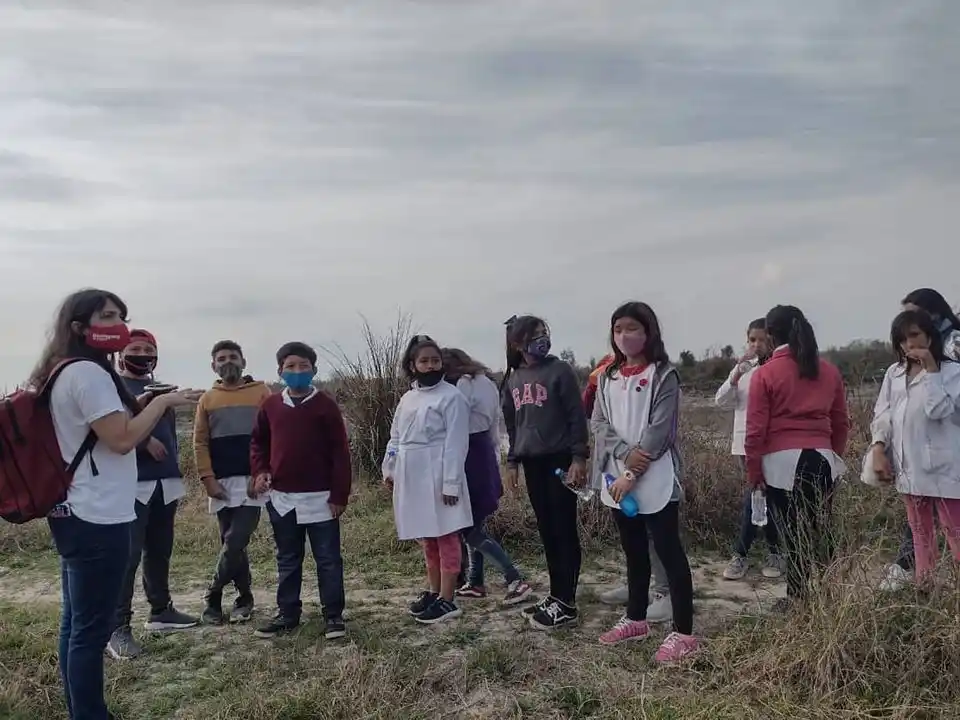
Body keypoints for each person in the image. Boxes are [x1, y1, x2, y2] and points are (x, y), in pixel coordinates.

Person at [29, 288, 201, 720]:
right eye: (107, 316)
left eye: (121, 316)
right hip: (98, 513)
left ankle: (80, 711)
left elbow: (106, 428)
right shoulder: (87, 373)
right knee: (90, 629)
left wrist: (141, 402)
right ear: (79, 326)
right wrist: (162, 402)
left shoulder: (62, 370)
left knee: (75, 623)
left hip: (74, 508)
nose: (119, 325)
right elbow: (122, 439)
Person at [590, 302, 698, 662]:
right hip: (617, 475)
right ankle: (636, 618)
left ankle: (684, 633)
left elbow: (661, 429)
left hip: (653, 475)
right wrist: (623, 456)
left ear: (648, 332)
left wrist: (634, 469)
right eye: (619, 328)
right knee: (633, 551)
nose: (625, 335)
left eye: (632, 328)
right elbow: (600, 423)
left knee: (668, 552)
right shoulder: (607, 376)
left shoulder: (664, 374)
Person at [744, 305, 849, 611]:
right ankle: (832, 592)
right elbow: (841, 422)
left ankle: (798, 598)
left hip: (781, 464)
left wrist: (754, 473)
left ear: (771, 335)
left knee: (793, 532)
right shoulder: (827, 369)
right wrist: (832, 456)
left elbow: (755, 431)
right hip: (822, 457)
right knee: (822, 527)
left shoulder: (765, 373)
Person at [248, 342, 351, 640]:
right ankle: (287, 613)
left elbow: (340, 453)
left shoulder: (325, 406)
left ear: (314, 370)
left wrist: (339, 495)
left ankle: (333, 615)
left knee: (328, 559)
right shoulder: (270, 406)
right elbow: (258, 443)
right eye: (290, 367)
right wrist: (261, 471)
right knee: (288, 558)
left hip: (321, 499)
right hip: (282, 499)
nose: (297, 372)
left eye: (303, 366)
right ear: (280, 370)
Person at [107, 329, 198, 660]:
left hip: (165, 481)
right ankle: (117, 628)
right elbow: (112, 431)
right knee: (127, 557)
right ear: (121, 354)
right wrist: (144, 442)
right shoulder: (113, 387)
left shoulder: (161, 389)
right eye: (136, 348)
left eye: (149, 349)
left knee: (159, 551)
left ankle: (161, 610)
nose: (143, 353)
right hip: (132, 484)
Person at [501, 315, 589, 630]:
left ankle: (567, 602)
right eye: (533, 334)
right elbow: (513, 425)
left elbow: (576, 417)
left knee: (563, 528)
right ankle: (555, 595)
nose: (541, 338)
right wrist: (512, 462)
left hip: (560, 459)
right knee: (547, 529)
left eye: (543, 332)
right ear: (517, 343)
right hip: (532, 462)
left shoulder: (559, 371)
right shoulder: (512, 378)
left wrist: (579, 457)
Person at [384, 336, 474, 624]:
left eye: (435, 360)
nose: (430, 365)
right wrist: (391, 468)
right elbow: (396, 437)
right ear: (413, 365)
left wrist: (451, 483)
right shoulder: (408, 398)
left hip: (439, 472)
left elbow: (456, 444)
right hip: (413, 474)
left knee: (446, 535)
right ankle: (434, 591)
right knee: (428, 537)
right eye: (424, 360)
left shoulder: (452, 397)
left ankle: (448, 599)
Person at [869, 310, 960, 584]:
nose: (909, 344)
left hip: (945, 470)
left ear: (930, 337)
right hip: (910, 467)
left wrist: (931, 369)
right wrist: (878, 448)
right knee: (920, 535)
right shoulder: (894, 374)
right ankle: (925, 587)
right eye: (902, 339)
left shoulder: (952, 372)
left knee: (955, 533)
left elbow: (939, 410)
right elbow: (883, 414)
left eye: (914, 336)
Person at [441, 347, 532, 606]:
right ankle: (475, 581)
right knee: (474, 522)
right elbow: (494, 424)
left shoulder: (459, 386)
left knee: (468, 528)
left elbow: (453, 422)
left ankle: (514, 578)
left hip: (468, 453)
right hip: (483, 452)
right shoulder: (486, 382)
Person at [193, 340, 271, 624]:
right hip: (221, 482)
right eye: (222, 358)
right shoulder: (207, 399)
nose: (228, 362)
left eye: (233, 357)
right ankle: (244, 598)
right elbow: (200, 442)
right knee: (231, 543)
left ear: (243, 362)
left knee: (236, 539)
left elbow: (270, 437)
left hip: (253, 481)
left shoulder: (261, 393)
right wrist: (208, 479)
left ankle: (212, 595)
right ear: (214, 365)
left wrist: (261, 473)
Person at [715, 319, 783, 581]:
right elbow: (721, 400)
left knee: (766, 499)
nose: (756, 345)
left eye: (761, 340)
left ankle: (747, 554)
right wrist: (736, 374)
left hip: (772, 443)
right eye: (751, 340)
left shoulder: (779, 369)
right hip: (745, 445)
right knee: (756, 497)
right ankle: (763, 554)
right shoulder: (745, 369)